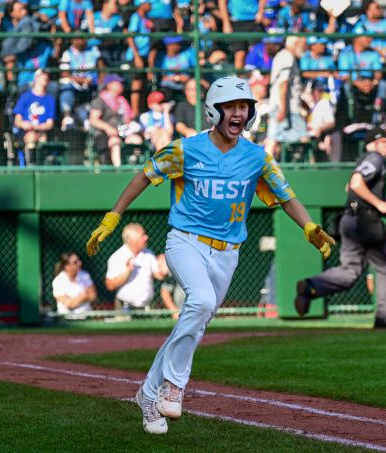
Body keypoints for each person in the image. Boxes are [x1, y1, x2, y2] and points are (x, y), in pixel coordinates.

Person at [85, 75, 333, 434]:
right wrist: (113, 217)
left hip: (228, 254)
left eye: (243, 106)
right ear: (213, 111)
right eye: (230, 106)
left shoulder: (257, 157)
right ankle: (174, 384)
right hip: (185, 241)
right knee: (199, 302)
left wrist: (309, 226)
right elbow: (143, 176)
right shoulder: (184, 149)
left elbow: (286, 196)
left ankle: (148, 393)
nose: (238, 113)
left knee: (194, 321)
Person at [294, 127, 386, 330]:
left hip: (349, 219)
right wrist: (380, 204)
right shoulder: (375, 159)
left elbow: (349, 187)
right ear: (376, 142)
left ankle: (312, 286)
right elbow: (355, 183)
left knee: (350, 270)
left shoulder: (365, 159)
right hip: (366, 222)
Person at [105, 223, 165, 318]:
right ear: (131, 240)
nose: (146, 237)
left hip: (147, 309)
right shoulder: (117, 257)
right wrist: (128, 271)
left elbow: (159, 275)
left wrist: (164, 265)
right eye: (142, 235)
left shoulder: (148, 253)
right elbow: (110, 285)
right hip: (125, 310)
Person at [265, 36, 308, 160]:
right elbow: (282, 84)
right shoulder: (287, 57)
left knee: (273, 139)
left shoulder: (284, 56)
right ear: (295, 43)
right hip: (286, 109)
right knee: (303, 139)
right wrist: (284, 109)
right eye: (303, 44)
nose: (305, 48)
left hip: (284, 107)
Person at [88, 74, 143, 166]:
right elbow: (93, 120)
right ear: (109, 85)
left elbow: (128, 119)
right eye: (119, 83)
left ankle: (133, 166)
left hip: (123, 132)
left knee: (136, 140)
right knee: (115, 141)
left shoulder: (122, 100)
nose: (122, 84)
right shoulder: (101, 100)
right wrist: (108, 128)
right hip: (104, 135)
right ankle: (118, 169)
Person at [13, 68, 56, 164]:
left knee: (42, 138)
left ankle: (42, 165)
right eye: (43, 75)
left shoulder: (50, 100)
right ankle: (30, 164)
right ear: (36, 78)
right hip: (25, 133)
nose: (46, 77)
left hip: (42, 132)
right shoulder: (25, 97)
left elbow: (50, 124)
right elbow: (17, 121)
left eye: (47, 76)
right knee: (31, 136)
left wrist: (37, 127)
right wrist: (25, 125)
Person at [52, 251, 96, 317]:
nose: (79, 263)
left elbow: (93, 296)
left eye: (79, 260)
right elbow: (69, 304)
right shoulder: (58, 281)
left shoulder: (84, 275)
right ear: (66, 266)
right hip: (66, 321)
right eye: (75, 262)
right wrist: (84, 296)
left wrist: (76, 300)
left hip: (86, 318)